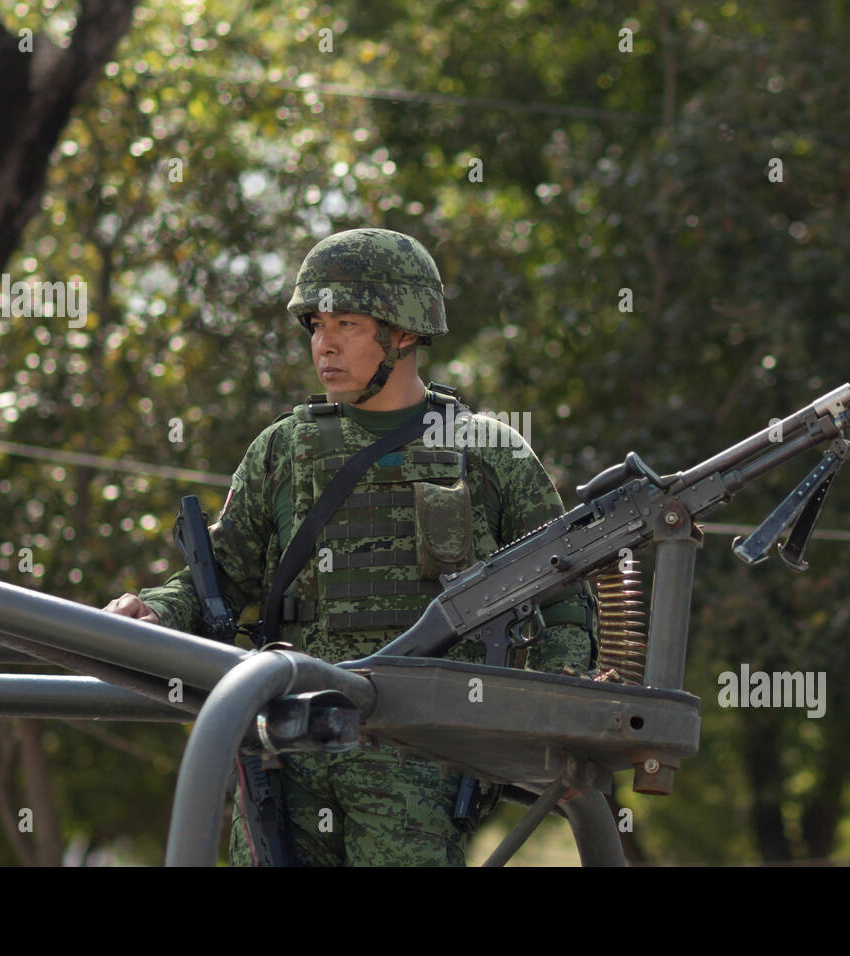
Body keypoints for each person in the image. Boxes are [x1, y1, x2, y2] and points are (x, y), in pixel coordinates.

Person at [103, 227, 595, 866]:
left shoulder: (491, 452)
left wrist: (552, 711)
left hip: (419, 763)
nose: (324, 344)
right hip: (288, 749)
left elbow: (560, 597)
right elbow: (218, 578)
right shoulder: (283, 449)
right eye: (316, 325)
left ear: (405, 331)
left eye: (348, 324)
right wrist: (157, 611)